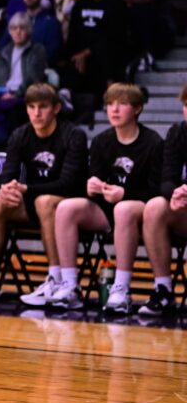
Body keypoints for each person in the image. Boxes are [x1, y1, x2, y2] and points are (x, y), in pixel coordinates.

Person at [49, 83, 163, 310]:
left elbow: (157, 192)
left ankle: (121, 288)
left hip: (140, 210)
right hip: (105, 209)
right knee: (66, 208)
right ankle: (70, 285)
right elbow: (94, 181)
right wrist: (91, 187)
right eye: (110, 104)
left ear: (137, 109)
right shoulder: (101, 141)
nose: (114, 110)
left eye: (122, 104)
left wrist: (125, 194)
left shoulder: (153, 143)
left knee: (124, 208)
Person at [0, 84, 87, 302]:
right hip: (34, 201)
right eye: (31, 107)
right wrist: (7, 188)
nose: (36, 113)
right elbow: (7, 173)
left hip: (70, 204)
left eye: (42, 107)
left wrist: (27, 189)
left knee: (44, 202)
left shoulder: (74, 135)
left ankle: (57, 278)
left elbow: (68, 184)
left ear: (56, 108)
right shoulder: (20, 134)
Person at [140, 84, 187, 316]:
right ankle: (163, 289)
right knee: (155, 207)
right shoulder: (178, 132)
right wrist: (175, 194)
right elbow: (167, 179)